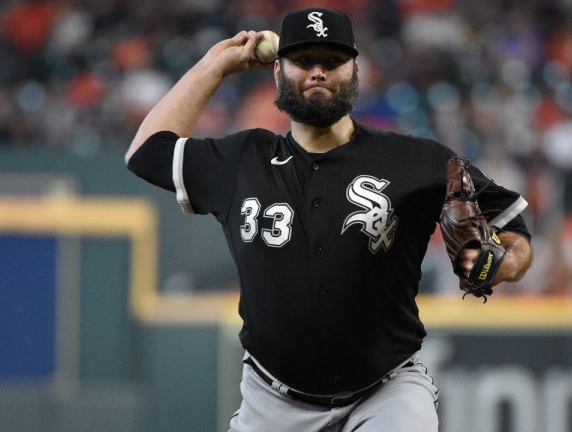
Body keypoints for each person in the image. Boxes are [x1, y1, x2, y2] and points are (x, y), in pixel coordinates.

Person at [126, 7, 532, 432]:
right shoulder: (240, 160)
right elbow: (146, 153)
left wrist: (498, 263)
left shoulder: (419, 161)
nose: (318, 72)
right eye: (303, 60)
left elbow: (516, 232)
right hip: (272, 401)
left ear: (355, 69)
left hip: (386, 393)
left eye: (332, 61)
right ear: (277, 72)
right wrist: (215, 66)